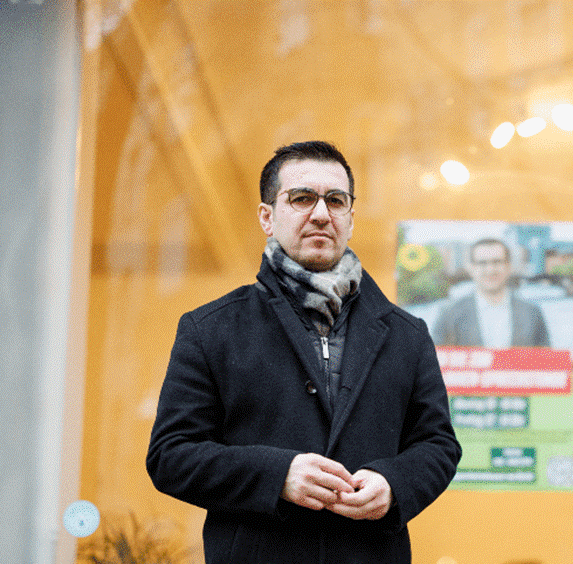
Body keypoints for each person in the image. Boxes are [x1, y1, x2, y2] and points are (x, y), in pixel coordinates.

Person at [146, 141, 461, 563]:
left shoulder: (408, 334)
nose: (320, 213)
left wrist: (394, 486)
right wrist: (277, 476)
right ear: (267, 217)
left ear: (351, 218)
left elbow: (438, 445)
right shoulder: (210, 329)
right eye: (301, 198)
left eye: (336, 200)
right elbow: (170, 455)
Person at [433, 237, 550, 348]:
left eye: (497, 262)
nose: (490, 270)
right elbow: (433, 363)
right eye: (482, 263)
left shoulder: (532, 313)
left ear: (509, 266)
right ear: (471, 268)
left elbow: (547, 362)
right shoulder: (449, 314)